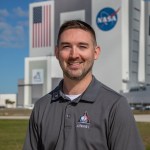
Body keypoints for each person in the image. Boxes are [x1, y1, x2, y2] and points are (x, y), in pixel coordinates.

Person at [23, 20, 145, 150]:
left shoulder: (115, 106)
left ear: (96, 52)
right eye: (66, 46)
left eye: (82, 46)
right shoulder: (42, 107)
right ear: (57, 52)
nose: (74, 55)